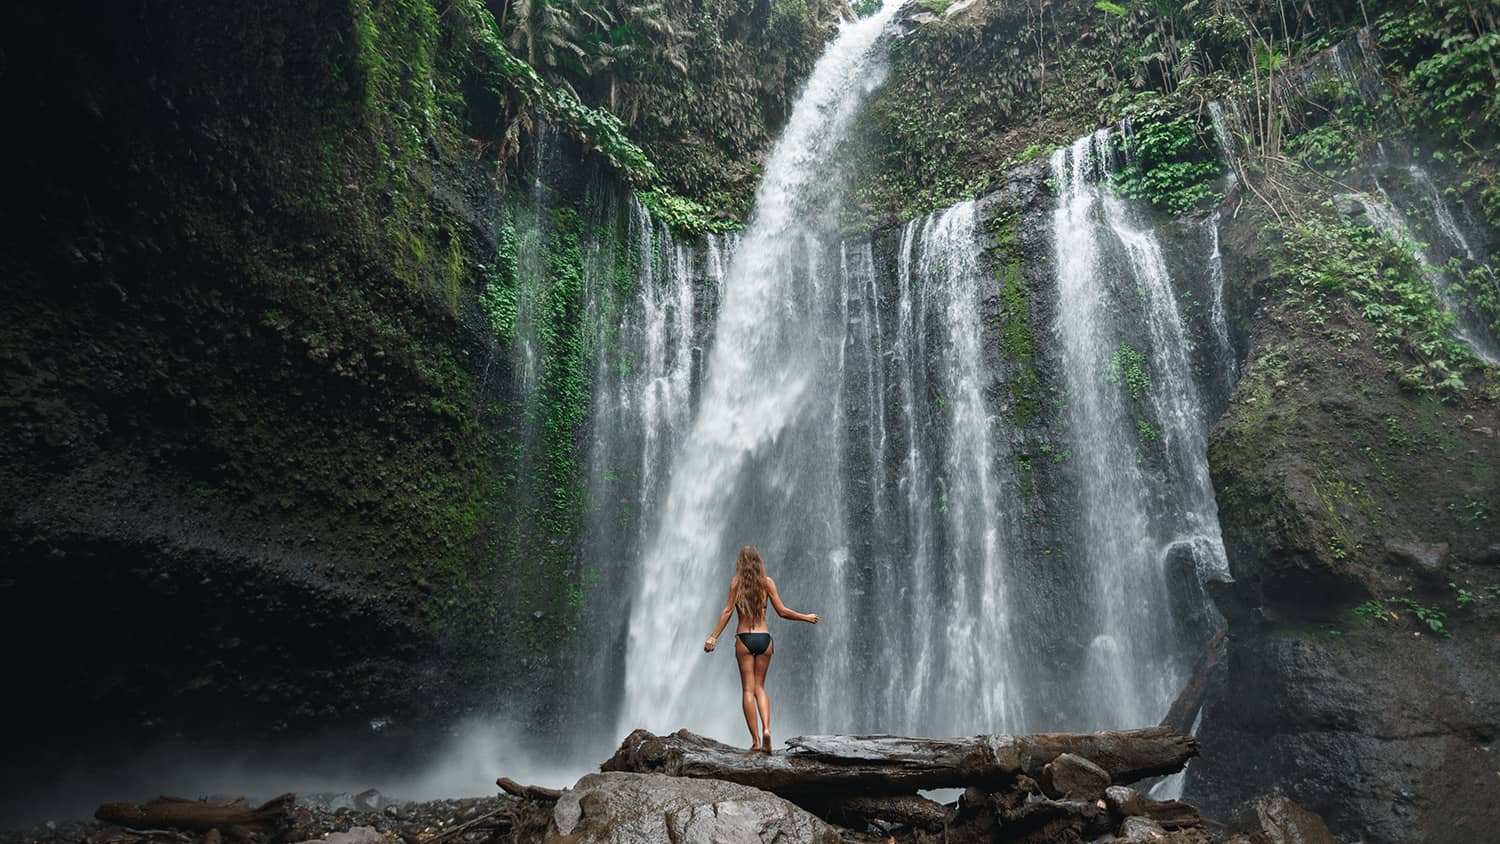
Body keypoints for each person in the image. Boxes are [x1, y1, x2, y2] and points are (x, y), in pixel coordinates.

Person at [703, 546, 819, 753]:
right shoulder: (767, 583)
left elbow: (728, 611)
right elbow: (782, 612)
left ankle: (756, 741)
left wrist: (713, 637)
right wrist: (806, 617)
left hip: (744, 638)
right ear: (759, 562)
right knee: (760, 688)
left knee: (748, 689)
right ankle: (767, 729)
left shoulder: (736, 582)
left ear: (741, 563)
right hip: (764, 639)